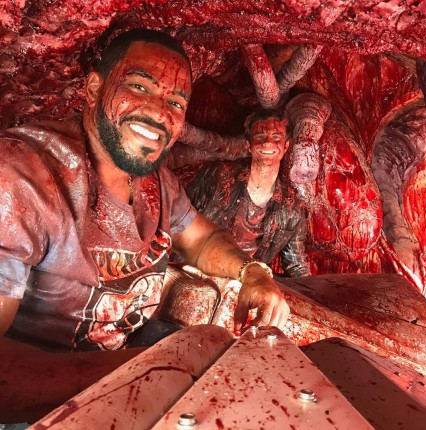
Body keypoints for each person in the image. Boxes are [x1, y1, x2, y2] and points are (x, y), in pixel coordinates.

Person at [0, 29, 288, 421]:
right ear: (94, 89)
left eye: (175, 101)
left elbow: (201, 241)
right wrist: (155, 369)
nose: (159, 112)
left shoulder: (157, 181)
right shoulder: (22, 175)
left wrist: (253, 273)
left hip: (132, 363)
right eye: (139, 87)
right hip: (45, 409)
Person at [186, 109, 311, 277]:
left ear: (286, 146)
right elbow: (179, 223)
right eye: (260, 136)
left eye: (276, 137)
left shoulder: (291, 207)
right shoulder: (218, 177)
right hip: (199, 273)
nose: (268, 143)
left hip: (248, 282)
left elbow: (296, 266)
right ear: (248, 144)